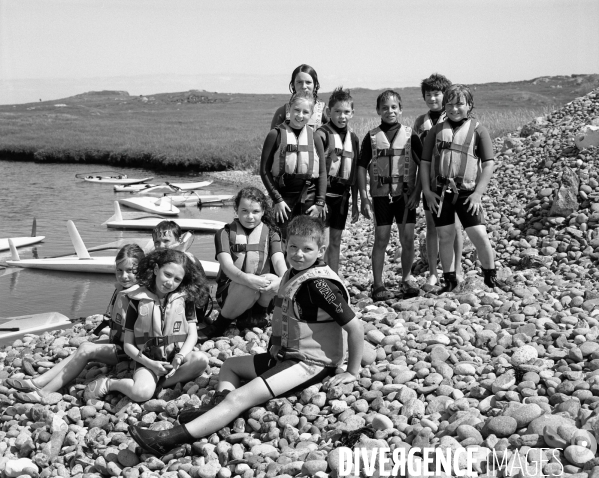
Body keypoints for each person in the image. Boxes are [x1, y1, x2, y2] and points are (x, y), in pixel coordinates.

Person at [128, 216, 364, 456]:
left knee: (239, 397)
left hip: (310, 364)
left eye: (307, 249)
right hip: (288, 356)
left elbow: (355, 328)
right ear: (285, 245)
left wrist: (351, 372)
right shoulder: (293, 273)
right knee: (230, 365)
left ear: (321, 250)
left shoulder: (320, 285)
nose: (298, 254)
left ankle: (167, 439)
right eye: (293, 247)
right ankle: (216, 412)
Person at [10, 244, 145, 404]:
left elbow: (137, 336)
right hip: (119, 342)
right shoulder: (122, 290)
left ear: (142, 271)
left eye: (131, 271)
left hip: (131, 352)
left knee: (86, 350)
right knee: (85, 346)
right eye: (119, 270)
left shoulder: (140, 297)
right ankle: (38, 382)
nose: (124, 276)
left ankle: (43, 393)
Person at [83, 249, 209, 402]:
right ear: (156, 269)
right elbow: (129, 345)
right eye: (167, 274)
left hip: (174, 358)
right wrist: (152, 364)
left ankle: (157, 383)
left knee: (201, 360)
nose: (170, 282)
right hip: (147, 359)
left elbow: (192, 334)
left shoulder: (185, 300)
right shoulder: (137, 300)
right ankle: (111, 384)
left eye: (177, 279)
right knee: (140, 394)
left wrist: (180, 357)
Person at [420, 84, 499, 293]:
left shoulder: (479, 130)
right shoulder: (436, 131)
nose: (454, 109)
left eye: (460, 104)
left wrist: (478, 194)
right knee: (445, 236)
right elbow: (425, 162)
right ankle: (450, 281)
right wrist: (427, 191)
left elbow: (489, 163)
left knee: (479, 234)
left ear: (469, 105)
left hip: (468, 193)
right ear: (445, 106)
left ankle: (491, 278)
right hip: (440, 193)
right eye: (450, 104)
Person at [357, 90, 422, 301]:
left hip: (405, 196)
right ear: (378, 111)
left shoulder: (411, 135)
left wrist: (418, 192)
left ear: (401, 109)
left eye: (394, 107)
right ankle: (378, 284)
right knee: (381, 240)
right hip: (381, 196)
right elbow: (360, 167)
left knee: (408, 239)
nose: (389, 111)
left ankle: (407, 278)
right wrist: (364, 198)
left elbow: (424, 166)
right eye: (385, 107)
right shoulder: (372, 137)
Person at [198, 187, 287, 340]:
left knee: (275, 278)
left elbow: (278, 259)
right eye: (244, 211)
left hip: (262, 292)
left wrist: (283, 279)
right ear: (236, 210)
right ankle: (220, 325)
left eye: (255, 211)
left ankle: (258, 315)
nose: (250, 216)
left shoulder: (272, 234)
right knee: (247, 286)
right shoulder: (223, 234)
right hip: (232, 292)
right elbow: (227, 267)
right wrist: (249, 279)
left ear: (264, 211)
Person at [413, 73, 464, 290]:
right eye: (428, 95)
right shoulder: (419, 123)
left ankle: (457, 270)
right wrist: (419, 189)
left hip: (454, 183)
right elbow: (417, 158)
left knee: (455, 227)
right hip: (431, 184)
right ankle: (433, 273)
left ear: (446, 95)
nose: (432, 98)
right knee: (432, 227)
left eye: (437, 94)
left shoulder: (455, 118)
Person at [260, 90, 327, 241]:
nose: (300, 115)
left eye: (305, 112)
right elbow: (264, 170)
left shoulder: (315, 138)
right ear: (289, 108)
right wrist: (277, 199)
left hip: (309, 195)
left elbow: (322, 172)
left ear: (311, 114)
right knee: (282, 240)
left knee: (308, 240)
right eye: (296, 110)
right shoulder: (275, 135)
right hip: (284, 196)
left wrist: (320, 203)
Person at [314, 87, 360, 273]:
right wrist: (319, 199)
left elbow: (355, 173)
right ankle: (320, 276)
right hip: (324, 197)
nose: (342, 116)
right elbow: (315, 171)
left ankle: (333, 277)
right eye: (338, 112)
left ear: (352, 113)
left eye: (346, 112)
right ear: (328, 112)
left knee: (336, 240)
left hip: (342, 196)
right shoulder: (321, 134)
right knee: (322, 242)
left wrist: (355, 202)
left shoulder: (353, 139)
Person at [270, 64, 328, 130]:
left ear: (315, 85)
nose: (303, 86)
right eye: (299, 82)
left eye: (308, 82)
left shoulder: (324, 111)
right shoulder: (283, 112)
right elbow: (273, 137)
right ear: (292, 85)